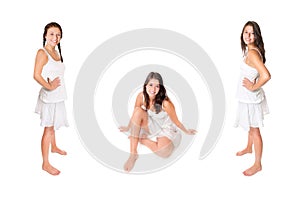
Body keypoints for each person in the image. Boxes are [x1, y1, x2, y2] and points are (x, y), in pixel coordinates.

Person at [119, 72, 196, 172]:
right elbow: (135, 115)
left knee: (165, 153)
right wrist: (128, 127)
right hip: (152, 125)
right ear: (145, 85)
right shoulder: (141, 96)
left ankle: (142, 140)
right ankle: (133, 154)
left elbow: (176, 122)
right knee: (138, 110)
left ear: (160, 88)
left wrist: (187, 131)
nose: (153, 89)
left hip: (166, 128)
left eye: (157, 86)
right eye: (151, 85)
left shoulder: (166, 103)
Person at [234, 21, 271, 176]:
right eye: (245, 32)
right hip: (247, 97)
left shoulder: (252, 53)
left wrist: (252, 86)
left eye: (252, 33)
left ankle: (257, 164)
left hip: (250, 98)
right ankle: (249, 148)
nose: (248, 36)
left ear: (257, 35)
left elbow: (266, 75)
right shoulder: (251, 50)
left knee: (255, 130)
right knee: (249, 125)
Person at [33, 22, 69, 175]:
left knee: (54, 123)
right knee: (48, 128)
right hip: (49, 97)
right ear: (45, 36)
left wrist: (55, 87)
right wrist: (50, 87)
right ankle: (45, 163)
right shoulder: (42, 52)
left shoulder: (57, 52)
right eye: (52, 34)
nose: (55, 37)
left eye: (58, 34)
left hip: (58, 96)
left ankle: (54, 147)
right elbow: (36, 75)